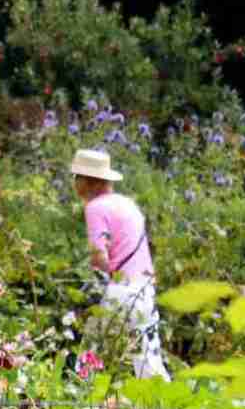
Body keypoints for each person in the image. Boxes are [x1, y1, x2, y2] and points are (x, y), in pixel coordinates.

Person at [70, 148, 171, 380]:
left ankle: (77, 404)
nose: (75, 183)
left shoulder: (95, 208)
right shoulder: (128, 205)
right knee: (148, 362)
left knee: (89, 358)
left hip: (120, 293)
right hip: (144, 290)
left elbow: (99, 256)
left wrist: (91, 293)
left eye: (77, 177)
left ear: (89, 181)